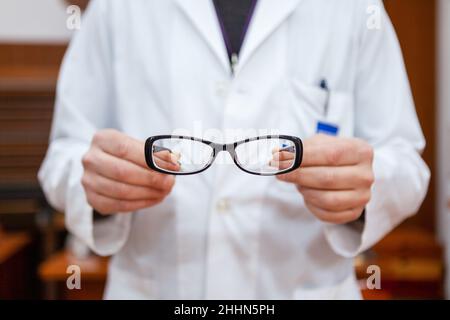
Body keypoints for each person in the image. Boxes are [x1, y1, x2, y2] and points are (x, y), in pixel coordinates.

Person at [39, 0, 430, 299]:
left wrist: (364, 189)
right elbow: (66, 154)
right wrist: (95, 186)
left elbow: (406, 160)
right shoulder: (116, 7)